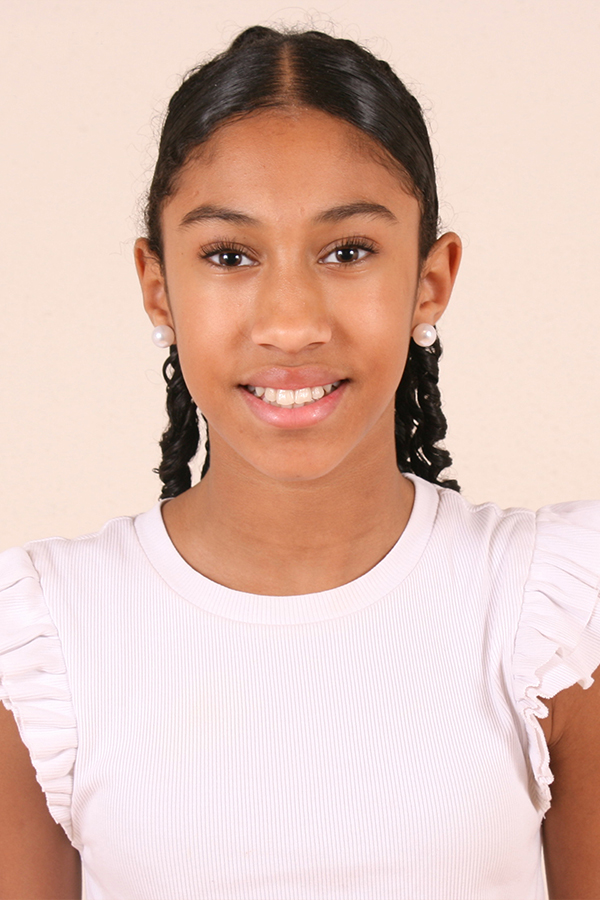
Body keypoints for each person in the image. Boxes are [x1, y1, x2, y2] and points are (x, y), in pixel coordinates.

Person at [0, 23, 599, 900]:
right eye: (229, 256)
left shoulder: (553, 615)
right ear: (158, 288)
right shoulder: (44, 639)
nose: (290, 322)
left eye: (348, 251)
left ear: (430, 280)